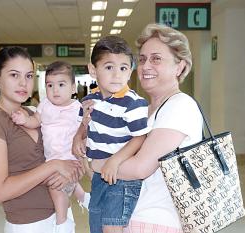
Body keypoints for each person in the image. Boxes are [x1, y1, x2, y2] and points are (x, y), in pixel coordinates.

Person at [0, 46, 83, 233]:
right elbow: (0, 191)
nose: (23, 83)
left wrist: (74, 170)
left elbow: (64, 156)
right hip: (28, 224)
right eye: (14, 75)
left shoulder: (34, 113)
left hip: (60, 216)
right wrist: (53, 166)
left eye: (29, 76)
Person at [113, 24, 203, 233]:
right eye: (143, 59)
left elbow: (140, 168)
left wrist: (96, 164)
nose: (145, 66)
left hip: (158, 221)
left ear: (179, 67)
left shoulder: (180, 106)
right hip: (136, 217)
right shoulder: (146, 109)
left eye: (156, 58)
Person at [72, 36, 150, 233]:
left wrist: (115, 161)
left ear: (130, 71)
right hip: (99, 177)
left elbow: (140, 137)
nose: (117, 75)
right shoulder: (90, 100)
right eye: (109, 67)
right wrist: (77, 137)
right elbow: (84, 125)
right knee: (95, 225)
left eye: (123, 68)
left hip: (121, 179)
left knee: (111, 229)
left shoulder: (133, 103)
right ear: (92, 70)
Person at [11, 61, 90, 233]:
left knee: (55, 189)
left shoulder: (77, 108)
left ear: (73, 88)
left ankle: (63, 222)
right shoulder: (45, 105)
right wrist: (24, 120)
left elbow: (85, 132)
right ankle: (83, 197)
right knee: (53, 182)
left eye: (61, 85)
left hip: (71, 158)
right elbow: (35, 121)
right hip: (52, 159)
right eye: (50, 85)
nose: (55, 90)